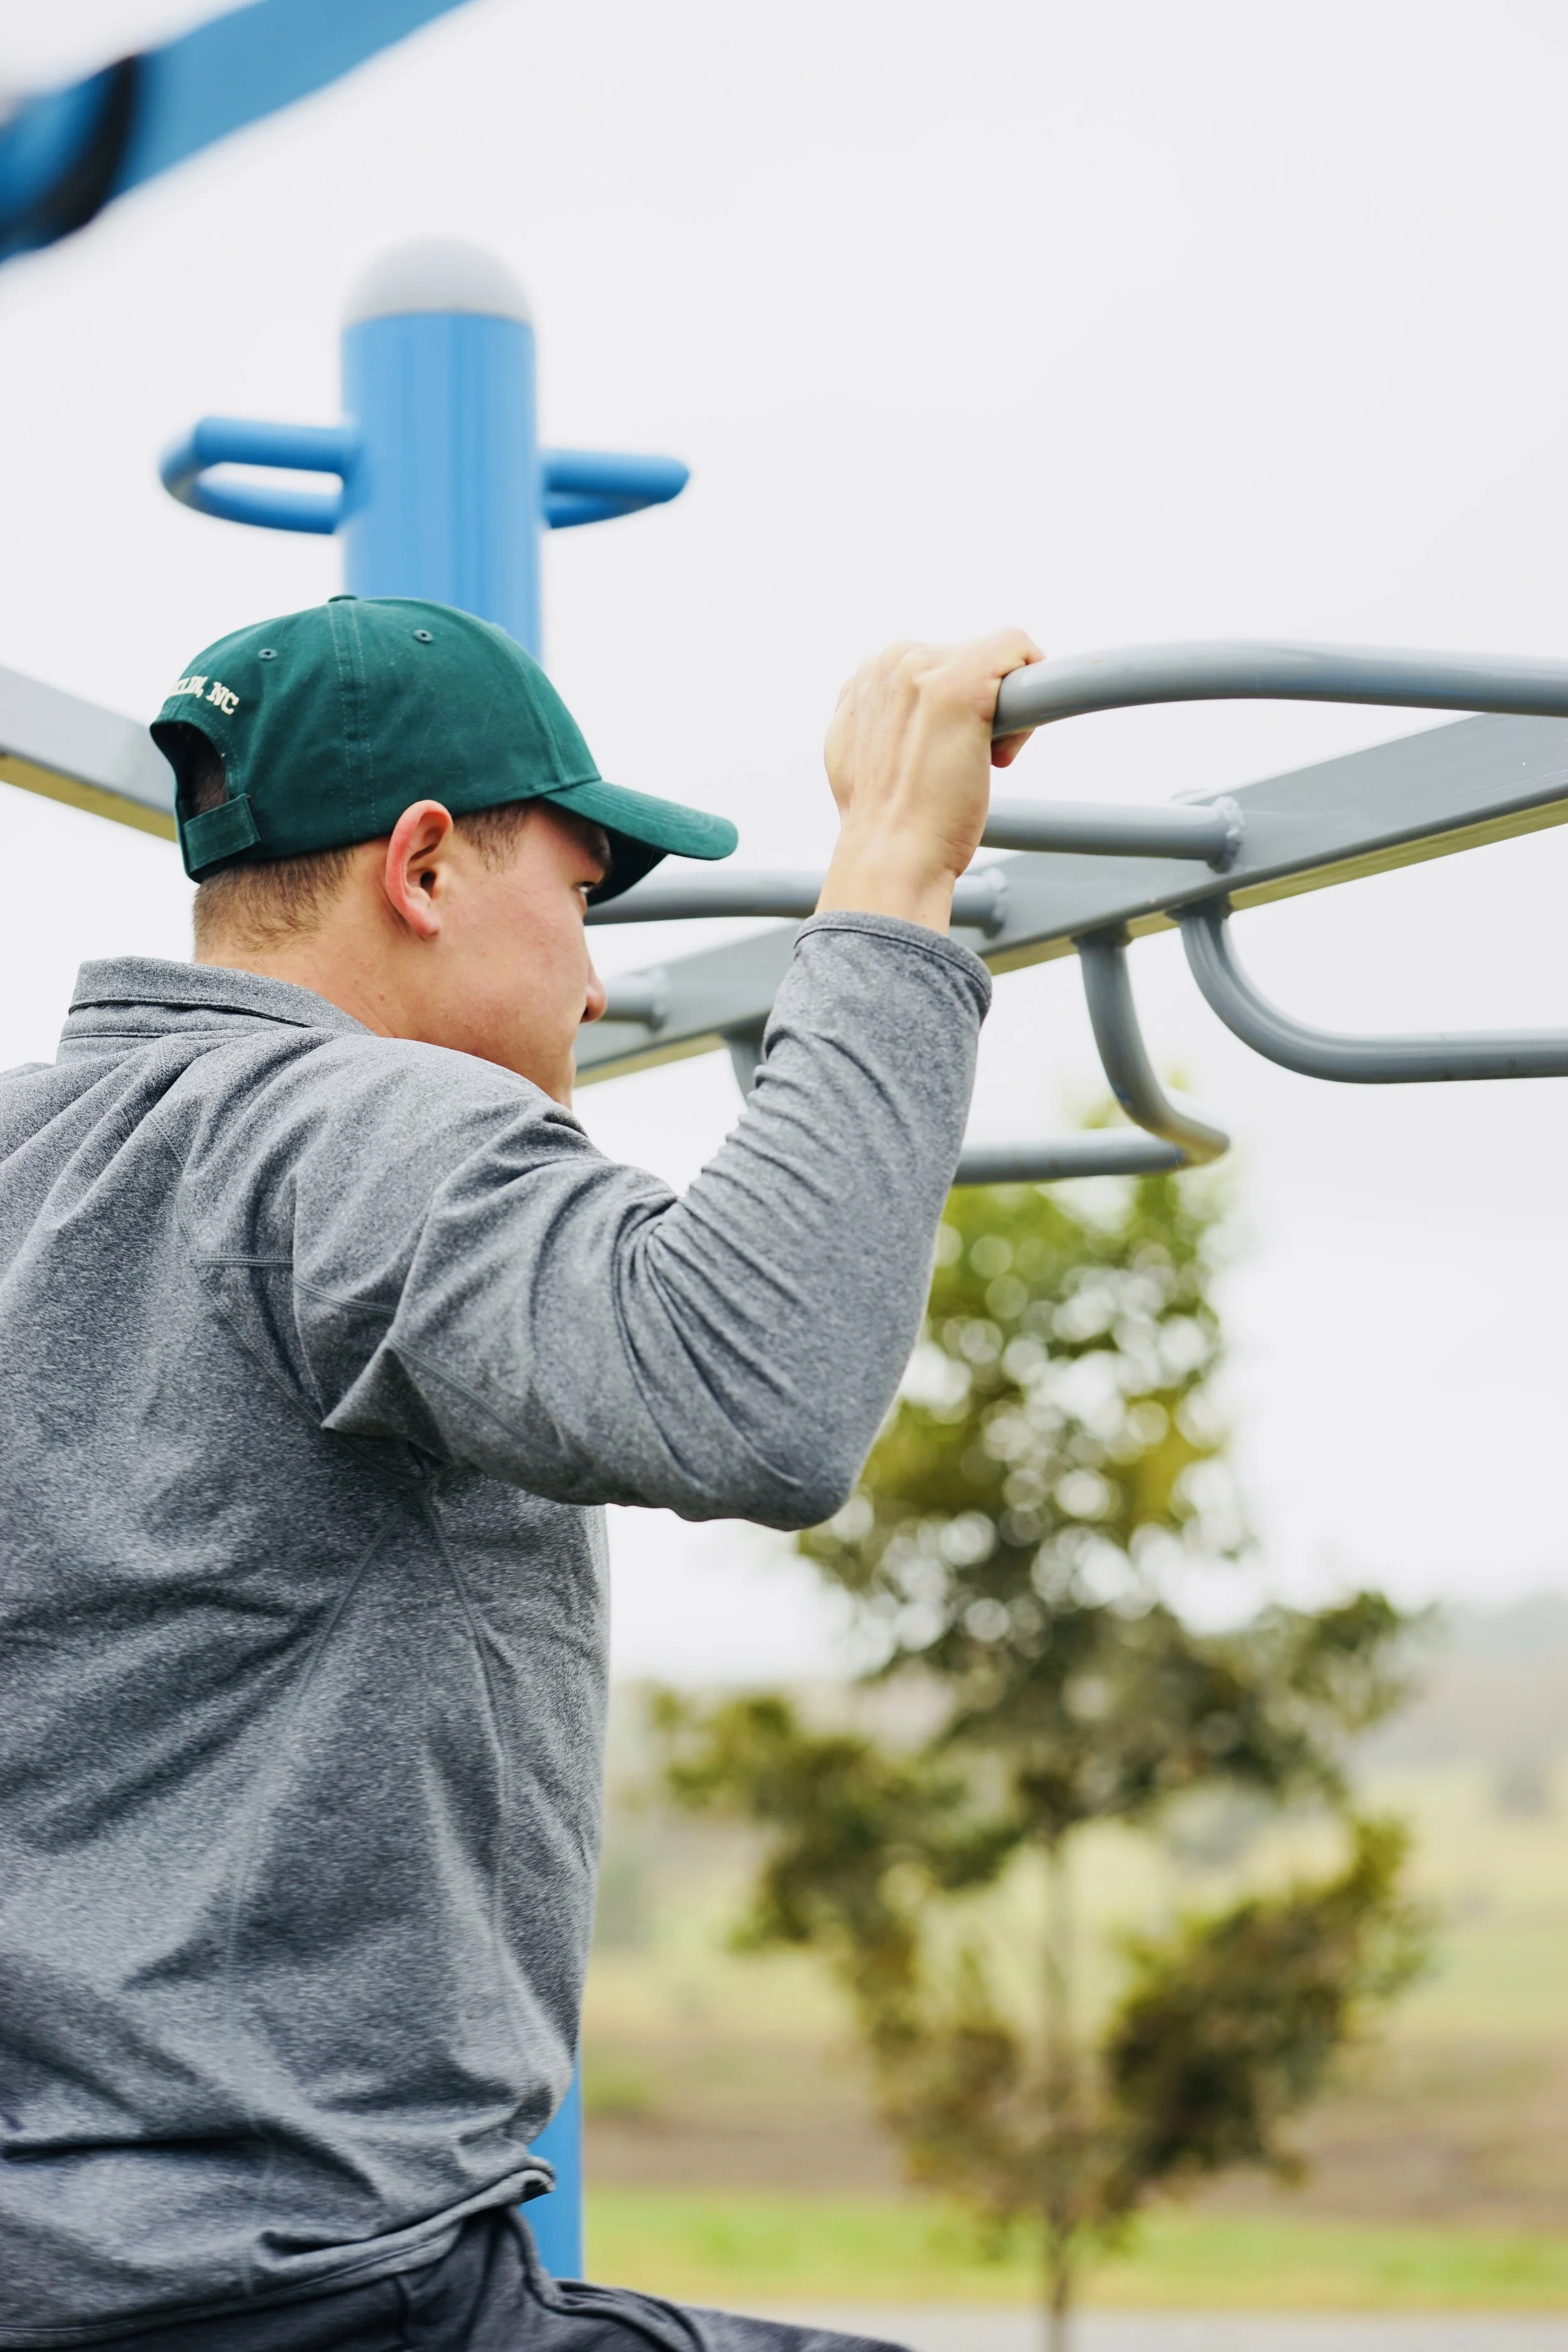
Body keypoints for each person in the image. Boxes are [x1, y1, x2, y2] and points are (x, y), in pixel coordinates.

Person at [0, 593, 1038, 2350]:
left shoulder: (35, 1161)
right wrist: (886, 879)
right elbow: (754, 1384)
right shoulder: (352, 1120)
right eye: (576, 894)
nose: (598, 974)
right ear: (420, 868)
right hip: (305, 2294)